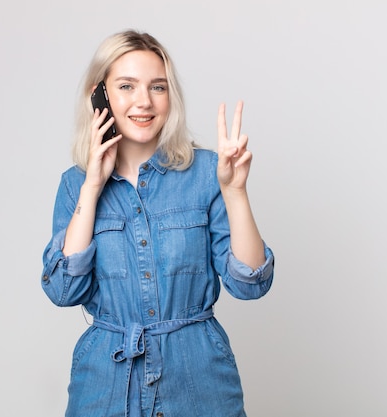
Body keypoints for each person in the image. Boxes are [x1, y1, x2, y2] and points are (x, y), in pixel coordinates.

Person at [41, 29, 275, 417]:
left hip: (198, 380)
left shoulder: (205, 173)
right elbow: (64, 289)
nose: (144, 102)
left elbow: (251, 283)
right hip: (105, 385)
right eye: (127, 86)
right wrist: (93, 185)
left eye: (158, 87)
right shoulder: (74, 184)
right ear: (100, 96)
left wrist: (235, 192)